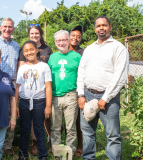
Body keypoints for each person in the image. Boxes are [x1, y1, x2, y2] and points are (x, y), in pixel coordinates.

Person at [77, 16, 129, 160]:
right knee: (87, 132)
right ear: (95, 29)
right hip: (88, 95)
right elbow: (81, 72)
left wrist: (105, 98)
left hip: (109, 98)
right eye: (98, 26)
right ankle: (88, 158)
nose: (101, 28)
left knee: (112, 135)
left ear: (110, 27)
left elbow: (120, 76)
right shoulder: (89, 49)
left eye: (104, 25)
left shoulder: (118, 48)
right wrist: (81, 94)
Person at [18, 24, 53, 155]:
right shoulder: (22, 68)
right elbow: (18, 86)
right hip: (25, 100)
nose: (29, 53)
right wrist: (17, 104)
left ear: (37, 50)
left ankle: (43, 154)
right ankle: (22, 154)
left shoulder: (44, 65)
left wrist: (48, 106)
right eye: (26, 51)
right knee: (25, 128)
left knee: (39, 127)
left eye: (32, 50)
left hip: (40, 100)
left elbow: (48, 86)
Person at [48, 30, 81, 159]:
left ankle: (69, 152)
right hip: (55, 96)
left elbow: (82, 75)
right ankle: (57, 152)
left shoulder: (76, 57)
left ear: (68, 41)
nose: (61, 42)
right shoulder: (52, 57)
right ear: (55, 42)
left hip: (71, 95)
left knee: (70, 127)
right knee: (55, 127)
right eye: (58, 41)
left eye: (63, 40)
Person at [0, 17, 20, 155]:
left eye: (10, 27)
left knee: (10, 113)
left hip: (11, 83)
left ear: (13, 29)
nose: (7, 29)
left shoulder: (17, 45)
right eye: (5, 27)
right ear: (1, 28)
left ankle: (7, 145)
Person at [69, 25, 84, 157]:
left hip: (78, 90)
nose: (75, 38)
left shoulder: (83, 53)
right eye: (73, 35)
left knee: (78, 120)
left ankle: (79, 145)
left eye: (78, 36)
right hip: (62, 90)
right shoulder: (62, 50)